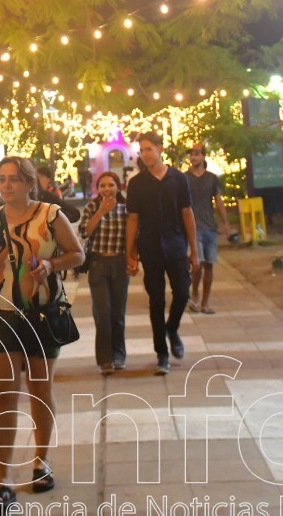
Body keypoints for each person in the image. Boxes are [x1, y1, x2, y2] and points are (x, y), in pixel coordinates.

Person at [0, 156, 85, 516]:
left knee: (40, 390)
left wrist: (51, 265)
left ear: (30, 183)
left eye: (14, 179)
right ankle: (2, 480)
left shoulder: (50, 215)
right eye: (2, 179)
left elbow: (77, 254)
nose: (6, 185)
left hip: (40, 316)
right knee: (3, 396)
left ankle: (40, 462)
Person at [125, 132, 198, 375]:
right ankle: (162, 354)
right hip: (150, 248)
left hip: (176, 245)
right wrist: (130, 252)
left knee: (183, 292)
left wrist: (194, 250)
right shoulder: (136, 184)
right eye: (142, 150)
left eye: (149, 149)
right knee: (156, 301)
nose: (145, 154)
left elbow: (187, 213)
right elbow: (133, 219)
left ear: (160, 149)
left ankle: (172, 328)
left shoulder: (178, 179)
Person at [79, 170, 131, 374]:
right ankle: (105, 359)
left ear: (118, 187)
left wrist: (132, 259)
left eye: (111, 185)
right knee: (102, 313)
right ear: (98, 188)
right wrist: (100, 212)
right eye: (102, 185)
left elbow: (133, 234)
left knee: (118, 313)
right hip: (98, 263)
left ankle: (119, 355)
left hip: (119, 262)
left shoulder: (126, 207)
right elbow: (84, 232)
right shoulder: (92, 207)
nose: (107, 189)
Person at [184, 143, 231, 315]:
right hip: (192, 227)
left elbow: (218, 201)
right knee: (197, 264)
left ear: (203, 156)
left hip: (209, 226)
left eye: (197, 154)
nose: (193, 157)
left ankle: (205, 301)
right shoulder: (184, 178)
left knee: (209, 264)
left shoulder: (211, 178)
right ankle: (195, 295)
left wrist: (225, 223)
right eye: (191, 154)